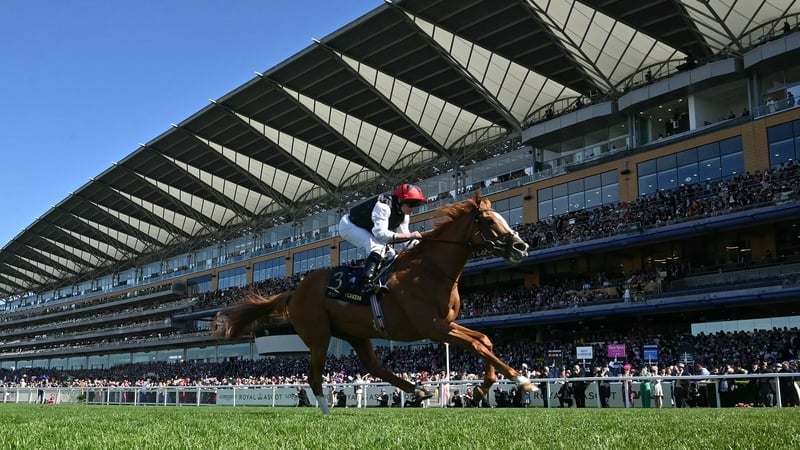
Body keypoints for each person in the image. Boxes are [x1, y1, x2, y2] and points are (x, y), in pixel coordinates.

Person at [338, 183, 426, 294]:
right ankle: (364, 285)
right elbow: (381, 235)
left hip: (368, 229)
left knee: (391, 253)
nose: (413, 208)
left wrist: (421, 245)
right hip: (349, 225)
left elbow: (404, 239)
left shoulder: (404, 214)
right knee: (378, 249)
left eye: (417, 204)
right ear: (399, 200)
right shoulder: (383, 206)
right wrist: (410, 236)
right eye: (411, 203)